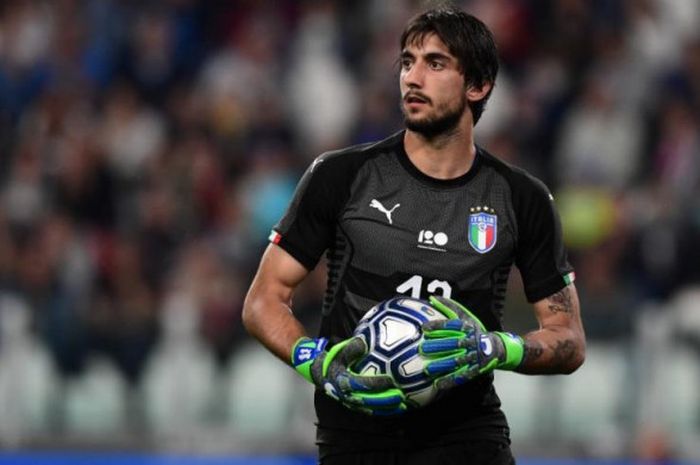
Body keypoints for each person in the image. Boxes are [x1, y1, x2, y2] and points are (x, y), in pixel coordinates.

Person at [243, 6, 585, 465]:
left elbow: (569, 339)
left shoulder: (521, 198)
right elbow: (263, 300)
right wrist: (317, 363)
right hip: (356, 438)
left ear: (477, 86)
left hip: (467, 439)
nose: (412, 77)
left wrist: (496, 348)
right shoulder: (341, 176)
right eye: (407, 62)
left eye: (435, 63)